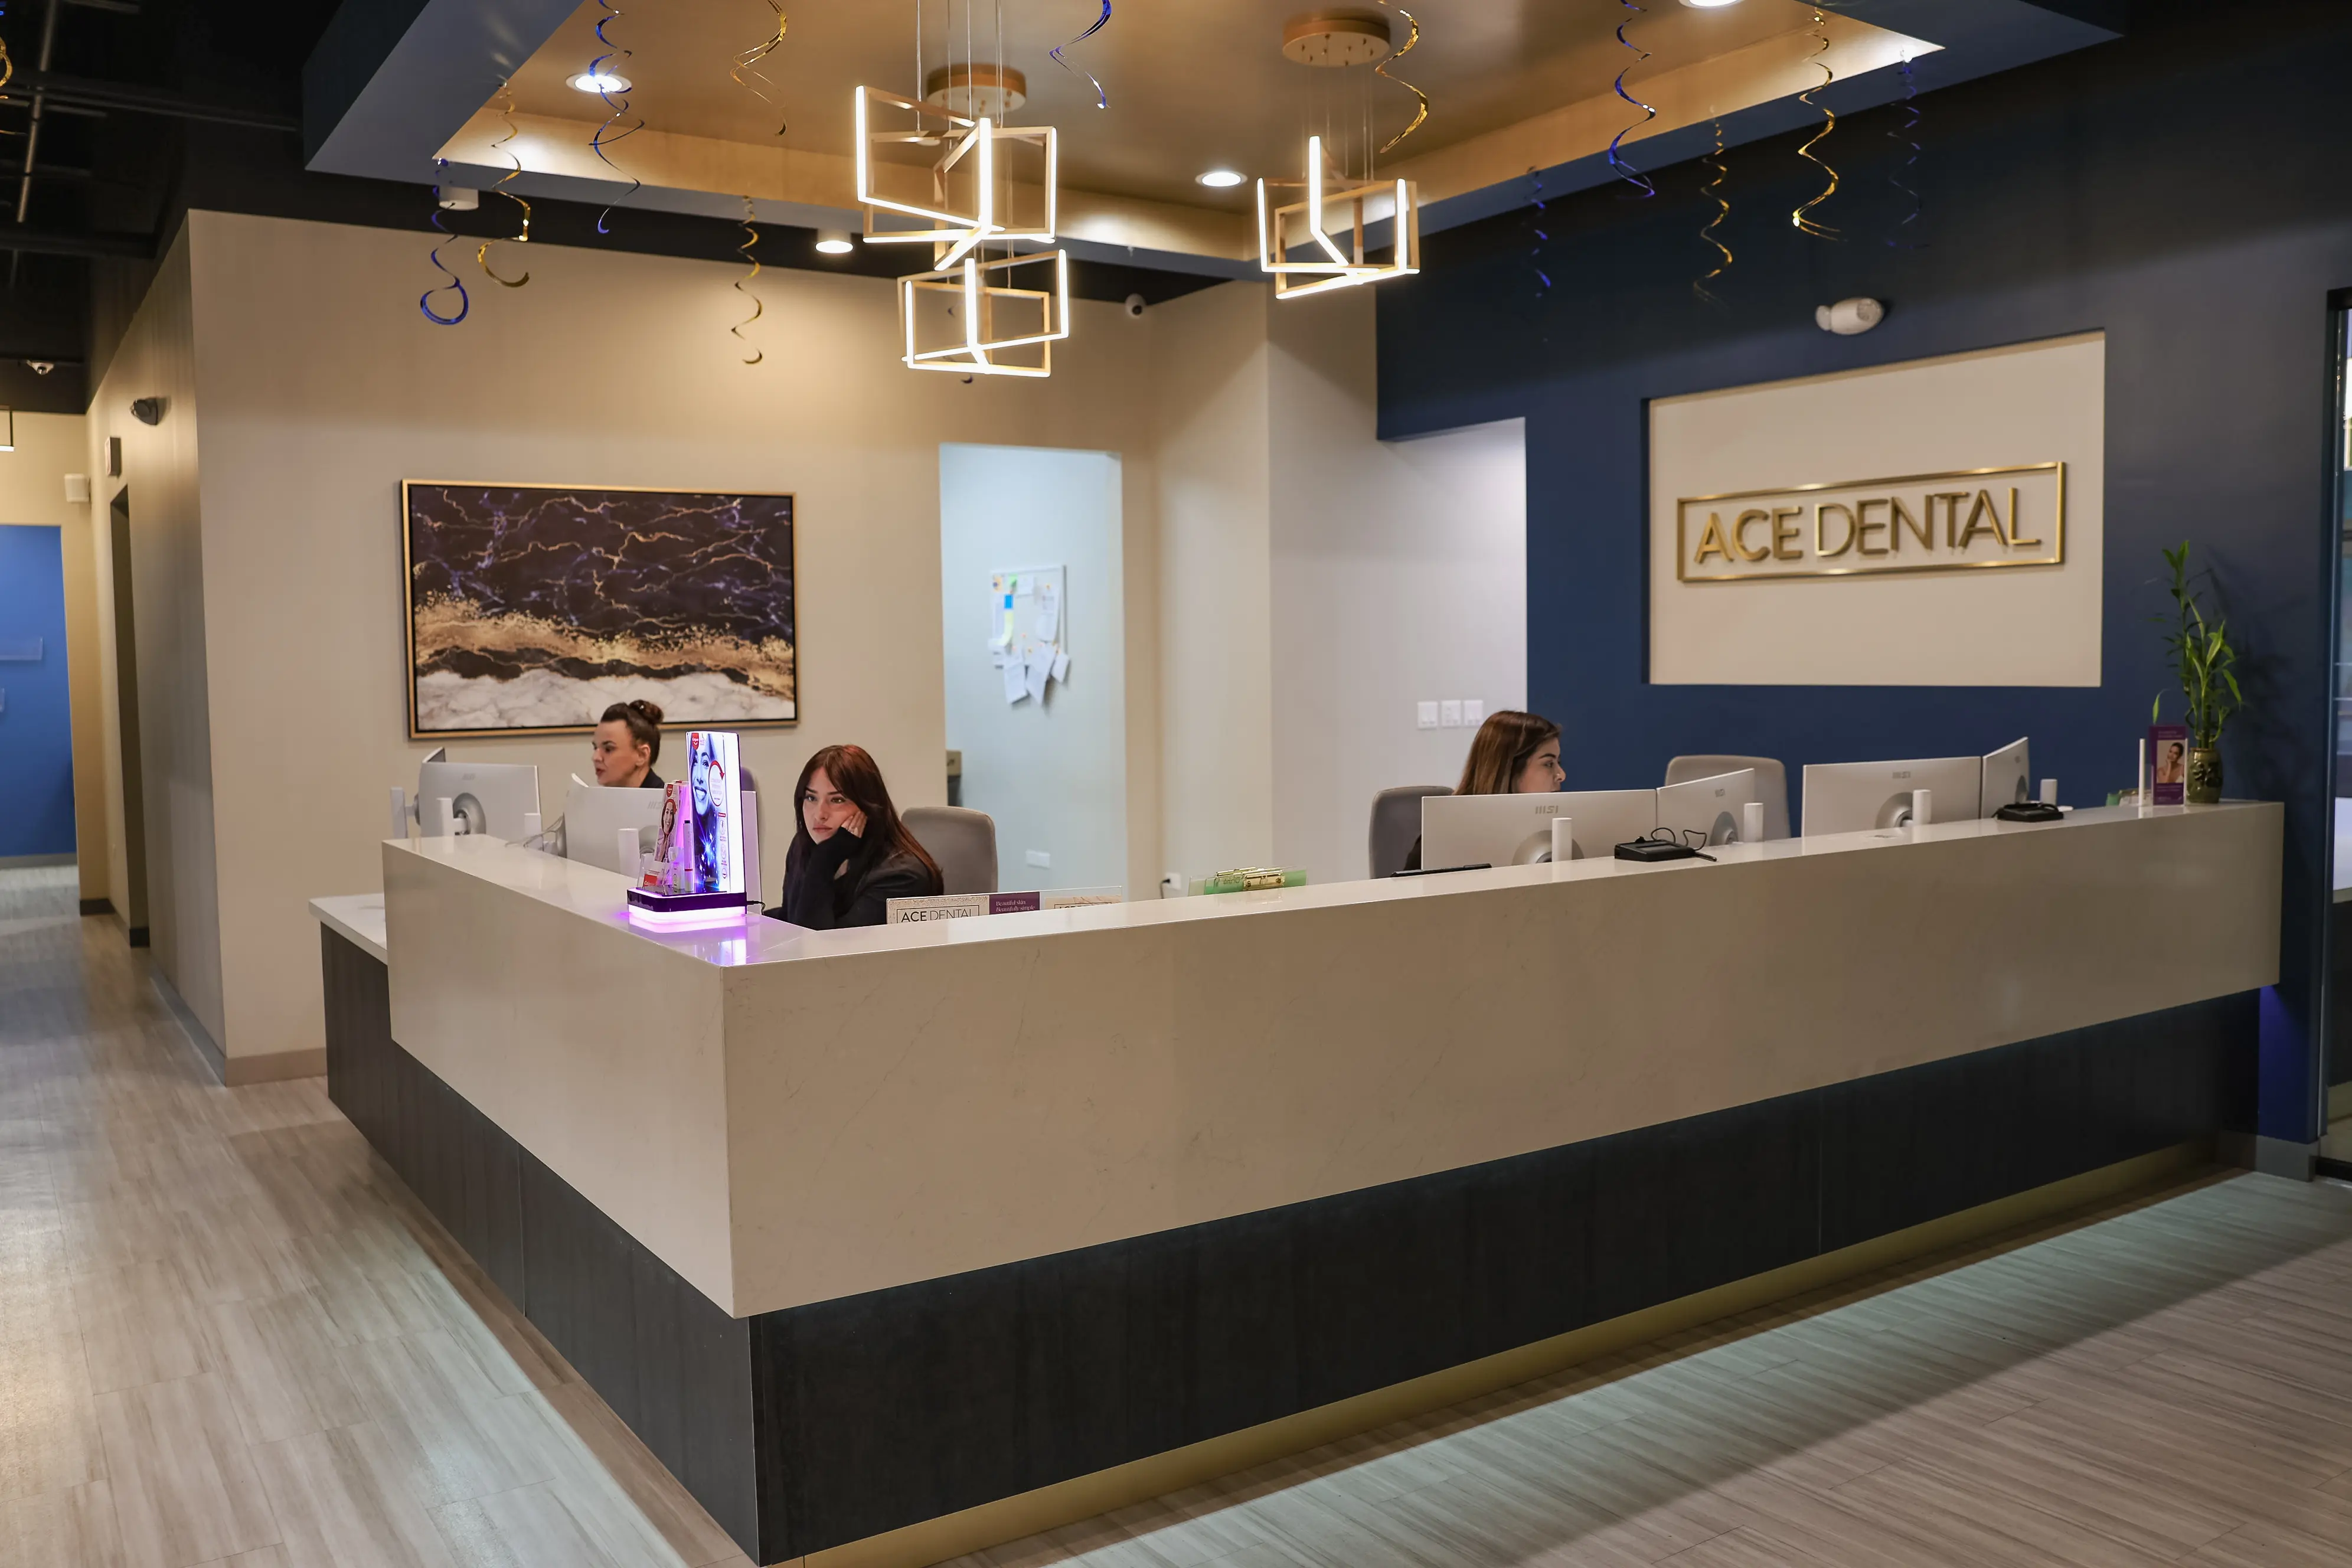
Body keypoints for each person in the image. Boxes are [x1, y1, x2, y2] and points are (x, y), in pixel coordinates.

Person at [771, 744, 943, 929]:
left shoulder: (901, 877)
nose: (819, 814)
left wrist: (824, 861)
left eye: (837, 800)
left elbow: (819, 944)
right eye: (811, 798)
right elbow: (791, 921)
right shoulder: (804, 845)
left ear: (868, 806)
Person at [1404, 709, 1564, 871]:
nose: (1561, 775)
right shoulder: (1444, 836)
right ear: (1509, 768)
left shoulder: (1554, 832)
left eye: (1559, 763)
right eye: (1549, 764)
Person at [592, 699, 666, 789]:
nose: (595, 758)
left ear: (642, 755)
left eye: (608, 749)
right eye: (595, 748)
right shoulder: (604, 797)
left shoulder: (665, 797)